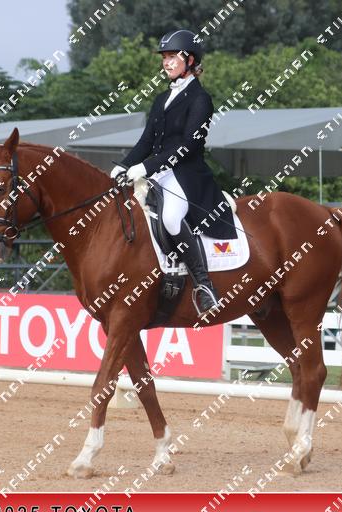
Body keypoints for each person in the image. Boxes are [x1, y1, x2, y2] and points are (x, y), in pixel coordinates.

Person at [111, 29, 236, 316]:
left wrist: (146, 167)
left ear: (189, 60)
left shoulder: (200, 99)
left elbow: (189, 145)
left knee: (169, 216)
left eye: (172, 57)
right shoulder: (161, 99)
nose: (166, 62)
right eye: (164, 57)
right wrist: (124, 165)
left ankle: (204, 285)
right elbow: (146, 141)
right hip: (159, 173)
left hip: (187, 175)